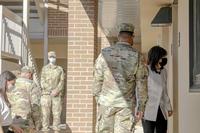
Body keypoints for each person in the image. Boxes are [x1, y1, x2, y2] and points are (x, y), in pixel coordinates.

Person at [93, 23, 148, 133]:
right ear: (132, 37)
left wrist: (99, 99)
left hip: (106, 103)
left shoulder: (104, 53)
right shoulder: (137, 56)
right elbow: (142, 84)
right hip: (125, 105)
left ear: (119, 36)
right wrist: (141, 107)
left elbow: (97, 79)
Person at [142, 46, 173, 133]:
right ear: (156, 57)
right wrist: (139, 109)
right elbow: (140, 91)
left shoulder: (164, 72)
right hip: (148, 109)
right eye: (162, 57)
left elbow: (164, 91)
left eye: (164, 57)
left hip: (161, 109)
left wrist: (168, 107)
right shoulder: (145, 70)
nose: (164, 59)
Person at [8, 66, 41, 132]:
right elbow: (35, 106)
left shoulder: (11, 83)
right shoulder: (31, 85)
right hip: (26, 121)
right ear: (29, 74)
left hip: (11, 122)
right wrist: (38, 124)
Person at [40, 51, 65, 131]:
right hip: (46, 95)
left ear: (55, 58)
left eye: (53, 57)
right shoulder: (44, 69)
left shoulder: (59, 69)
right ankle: (45, 130)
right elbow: (42, 81)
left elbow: (62, 81)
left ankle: (56, 130)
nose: (52, 58)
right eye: (50, 57)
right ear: (48, 58)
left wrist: (57, 90)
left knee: (57, 115)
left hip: (56, 95)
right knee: (45, 115)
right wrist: (51, 90)